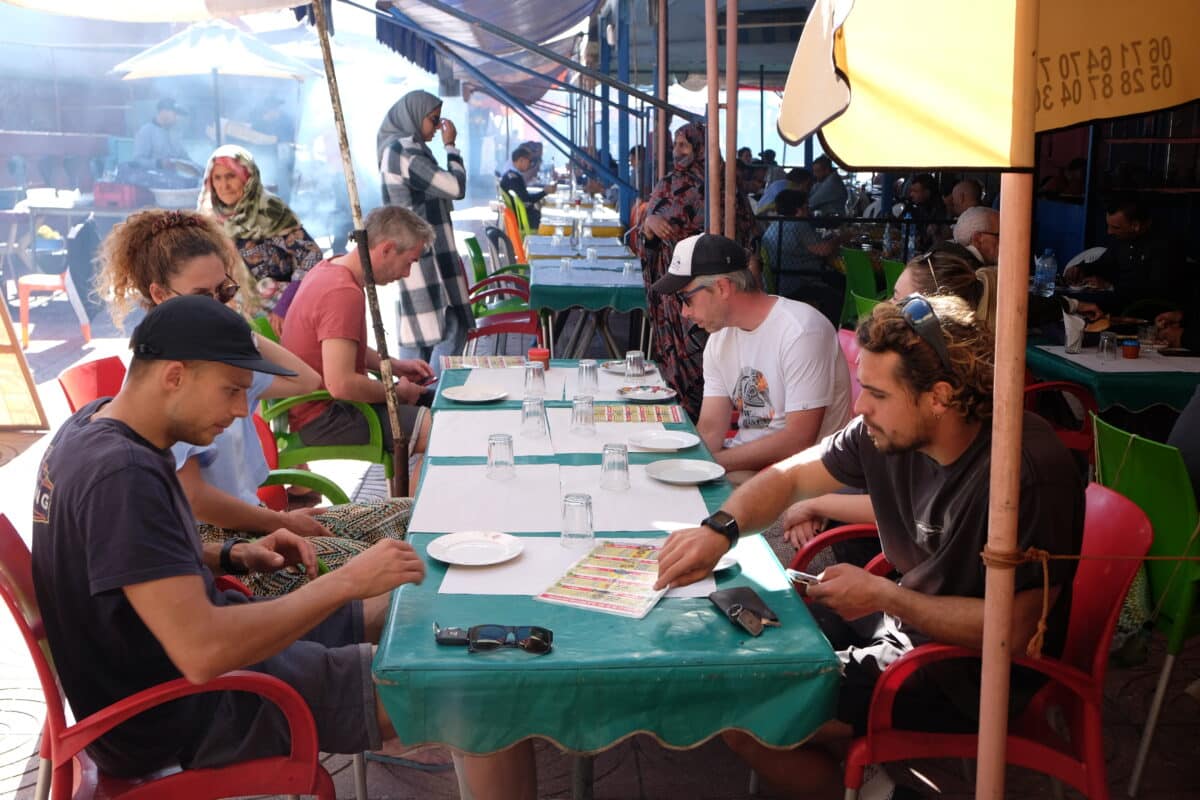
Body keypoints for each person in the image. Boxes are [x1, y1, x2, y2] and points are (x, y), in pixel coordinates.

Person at [32, 295, 533, 797]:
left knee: (413, 607)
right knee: (479, 693)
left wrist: (230, 554)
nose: (237, 412)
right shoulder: (123, 475)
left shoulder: (89, 429)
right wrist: (345, 582)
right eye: (231, 391)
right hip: (190, 710)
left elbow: (121, 560)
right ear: (174, 376)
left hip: (192, 672)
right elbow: (202, 652)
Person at [654, 294, 1084, 799]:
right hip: (904, 627)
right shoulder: (882, 431)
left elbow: (1011, 631)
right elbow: (789, 480)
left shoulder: (1024, 472)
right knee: (741, 652)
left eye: (877, 394)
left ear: (938, 397)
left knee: (746, 716)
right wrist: (719, 529)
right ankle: (874, 785)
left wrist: (886, 596)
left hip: (970, 674)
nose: (860, 407)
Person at [94, 208, 416, 596]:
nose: (216, 305)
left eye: (224, 292)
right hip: (229, 542)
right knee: (392, 567)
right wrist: (279, 524)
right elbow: (195, 500)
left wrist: (239, 330)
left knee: (410, 517)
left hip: (260, 521)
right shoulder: (172, 380)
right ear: (161, 295)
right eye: (202, 296)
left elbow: (307, 380)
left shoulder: (222, 356)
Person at [652, 233, 851, 485]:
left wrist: (710, 462)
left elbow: (798, 440)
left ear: (722, 287)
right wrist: (694, 465)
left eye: (686, 298)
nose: (683, 312)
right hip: (750, 473)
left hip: (805, 482)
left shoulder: (801, 330)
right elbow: (711, 429)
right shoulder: (719, 338)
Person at [281, 206, 435, 465]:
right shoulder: (342, 292)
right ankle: (413, 504)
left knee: (436, 403)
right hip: (325, 417)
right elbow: (341, 385)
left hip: (317, 408)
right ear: (386, 249)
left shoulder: (329, 267)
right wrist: (396, 392)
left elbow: (339, 345)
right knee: (443, 432)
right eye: (409, 262)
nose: (407, 274)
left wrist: (395, 367)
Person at [630, 122, 757, 420]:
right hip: (673, 292)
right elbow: (643, 234)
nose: (678, 152)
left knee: (719, 356)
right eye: (675, 146)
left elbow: (746, 235)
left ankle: (718, 422)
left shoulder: (724, 187)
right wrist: (649, 229)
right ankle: (685, 423)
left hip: (713, 287)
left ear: (702, 148)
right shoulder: (667, 184)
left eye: (685, 146)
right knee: (679, 361)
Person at [377, 89, 475, 371]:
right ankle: (433, 397)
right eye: (433, 120)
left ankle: (417, 399)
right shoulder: (402, 152)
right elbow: (455, 187)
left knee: (423, 332)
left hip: (425, 252)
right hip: (418, 255)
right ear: (414, 116)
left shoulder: (411, 149)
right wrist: (452, 147)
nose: (438, 127)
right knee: (443, 328)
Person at [197, 145, 323, 336]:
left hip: (278, 313)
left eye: (231, 176)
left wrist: (286, 303)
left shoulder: (270, 210)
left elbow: (311, 254)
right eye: (218, 178)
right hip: (232, 313)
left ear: (247, 177)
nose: (224, 186)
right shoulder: (208, 217)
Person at [1062, 194, 1189, 313]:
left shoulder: (1165, 245)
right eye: (1108, 226)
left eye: (1115, 227)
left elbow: (1155, 290)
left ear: (1135, 226)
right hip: (1116, 299)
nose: (1109, 232)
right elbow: (1103, 264)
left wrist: (1110, 286)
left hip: (1143, 309)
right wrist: (1081, 269)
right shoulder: (1122, 240)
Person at [759, 189, 845, 326]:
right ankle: (833, 331)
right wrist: (841, 238)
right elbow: (824, 250)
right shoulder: (798, 224)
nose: (808, 211)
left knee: (834, 280)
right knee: (837, 295)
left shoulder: (775, 224)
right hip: (798, 282)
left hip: (780, 280)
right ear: (799, 209)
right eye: (806, 207)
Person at [131, 97, 192, 172]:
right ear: (164, 112)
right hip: (152, 181)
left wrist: (196, 168)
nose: (177, 118)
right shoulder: (146, 131)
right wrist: (159, 163)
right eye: (175, 114)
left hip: (173, 179)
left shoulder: (175, 132)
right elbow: (137, 161)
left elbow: (183, 156)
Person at [499, 145, 546, 229]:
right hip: (525, 219)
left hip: (520, 217)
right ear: (521, 160)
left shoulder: (510, 175)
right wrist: (545, 192)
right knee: (549, 221)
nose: (530, 164)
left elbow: (524, 197)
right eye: (529, 161)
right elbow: (527, 201)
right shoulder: (514, 178)